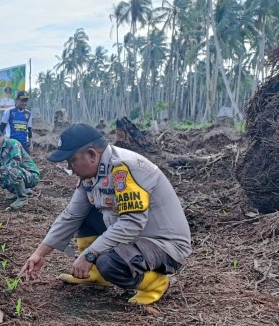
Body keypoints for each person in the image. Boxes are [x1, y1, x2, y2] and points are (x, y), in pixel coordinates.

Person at [19, 123, 192, 306]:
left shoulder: (125, 168)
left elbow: (131, 222)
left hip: (163, 244)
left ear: (92, 154)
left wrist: (89, 255)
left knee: (109, 263)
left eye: (71, 161)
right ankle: (95, 276)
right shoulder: (92, 175)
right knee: (85, 214)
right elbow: (71, 216)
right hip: (134, 239)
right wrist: (40, 253)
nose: (70, 168)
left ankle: (155, 284)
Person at [0, 127, 40, 210]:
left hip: (31, 176)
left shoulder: (13, 143)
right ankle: (17, 193)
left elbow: (16, 161)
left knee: (11, 170)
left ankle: (22, 198)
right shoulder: (0, 151)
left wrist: (0, 171)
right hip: (20, 174)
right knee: (2, 176)